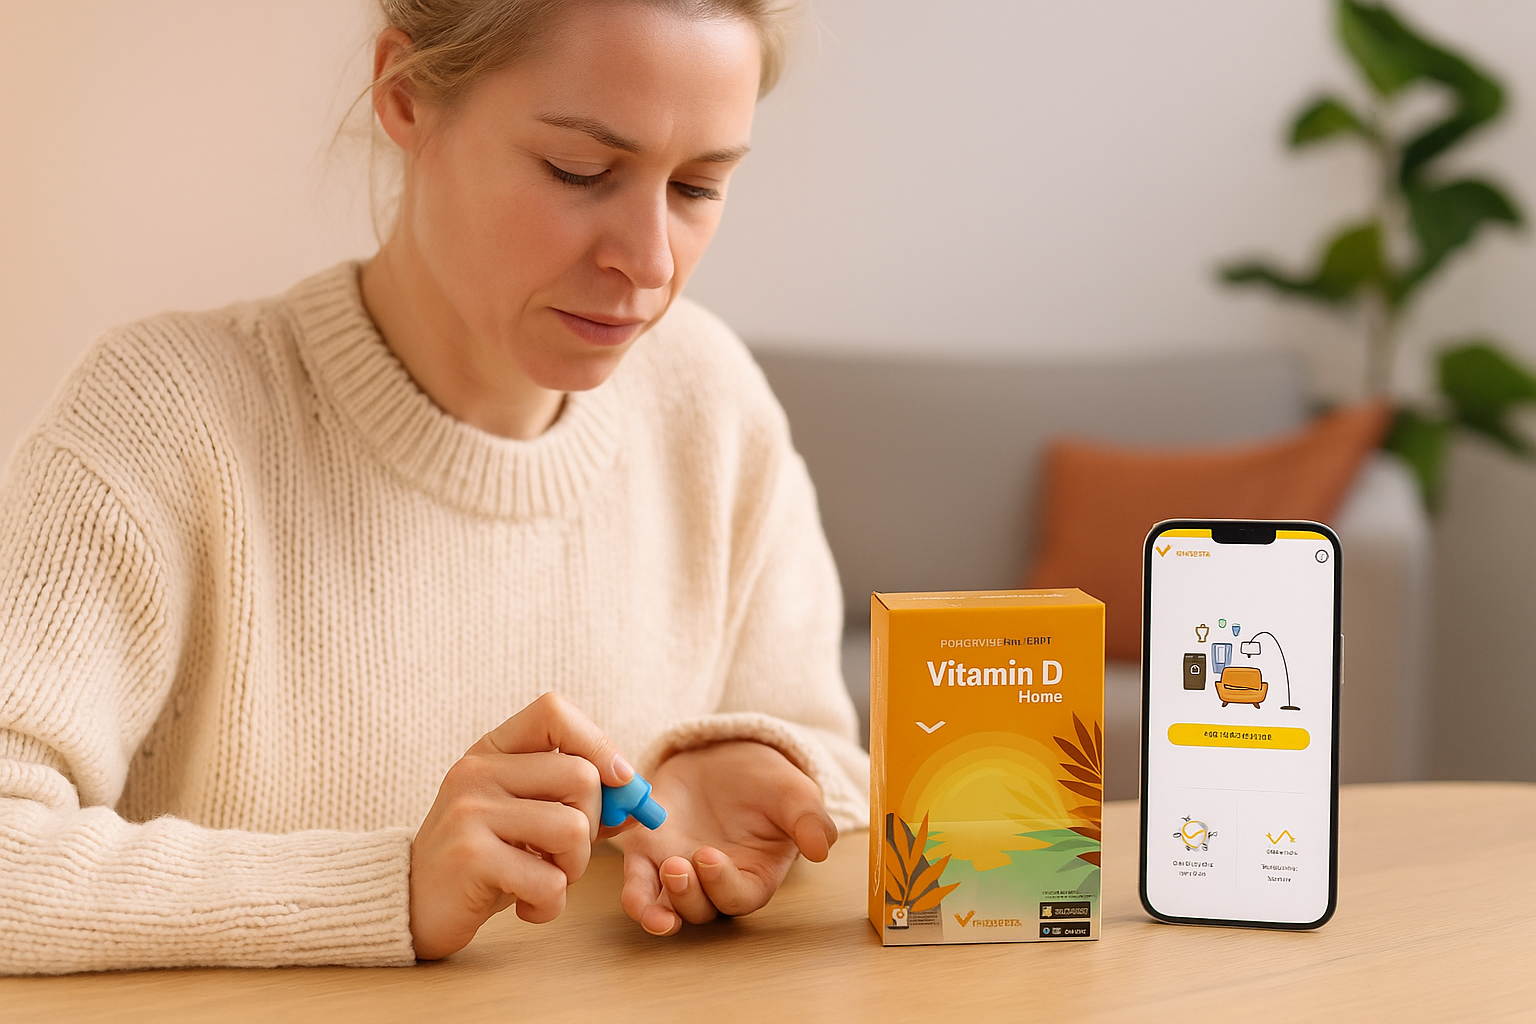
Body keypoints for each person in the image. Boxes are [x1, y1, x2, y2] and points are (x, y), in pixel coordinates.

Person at [0, 0, 866, 974]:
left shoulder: (711, 406)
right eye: (580, 171)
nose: (652, 262)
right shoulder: (164, 420)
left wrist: (760, 782)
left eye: (699, 186)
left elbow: (838, 775)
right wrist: (391, 885)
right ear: (405, 96)